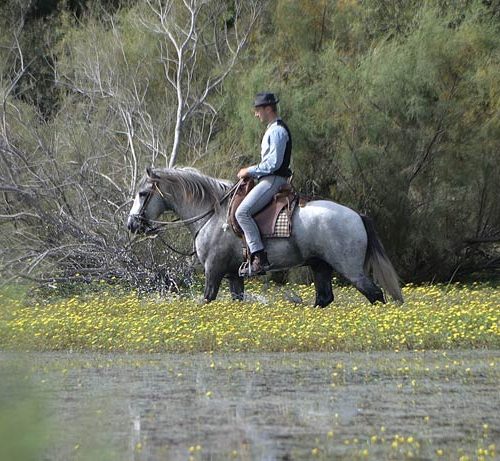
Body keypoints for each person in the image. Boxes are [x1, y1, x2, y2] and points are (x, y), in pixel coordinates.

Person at [236, 92, 292, 276]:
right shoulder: (273, 128)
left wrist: (249, 170)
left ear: (268, 109)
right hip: (270, 178)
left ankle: (260, 257)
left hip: (273, 179)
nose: (256, 114)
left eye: (258, 110)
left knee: (242, 213)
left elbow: (273, 164)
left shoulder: (276, 131)